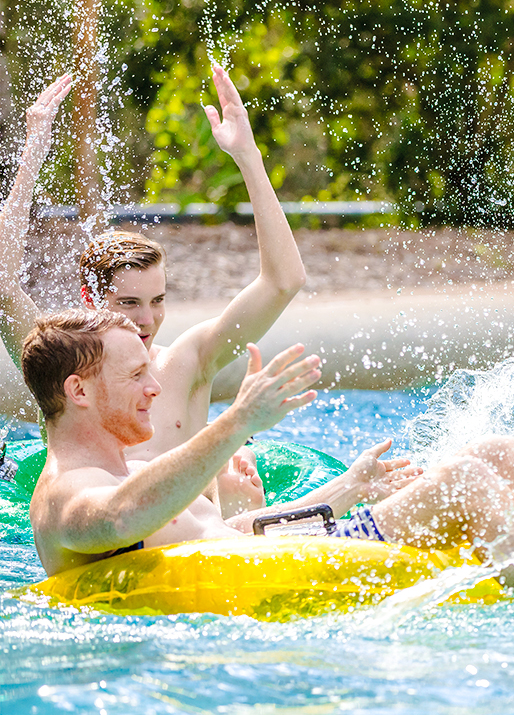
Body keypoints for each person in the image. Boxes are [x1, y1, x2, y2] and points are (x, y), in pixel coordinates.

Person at [22, 309, 514, 612]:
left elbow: (223, 536)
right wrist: (237, 423)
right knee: (467, 482)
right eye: (136, 376)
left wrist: (346, 487)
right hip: (282, 581)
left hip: (286, 558)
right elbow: (122, 519)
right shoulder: (68, 492)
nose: (155, 388)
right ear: (78, 392)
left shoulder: (122, 470)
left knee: (498, 453)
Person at [0, 66, 309, 514]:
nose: (146, 319)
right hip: (110, 544)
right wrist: (33, 158)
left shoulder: (190, 361)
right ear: (91, 299)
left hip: (200, 544)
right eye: (128, 303)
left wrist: (249, 158)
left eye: (157, 301)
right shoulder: (64, 369)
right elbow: (3, 288)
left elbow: (284, 282)